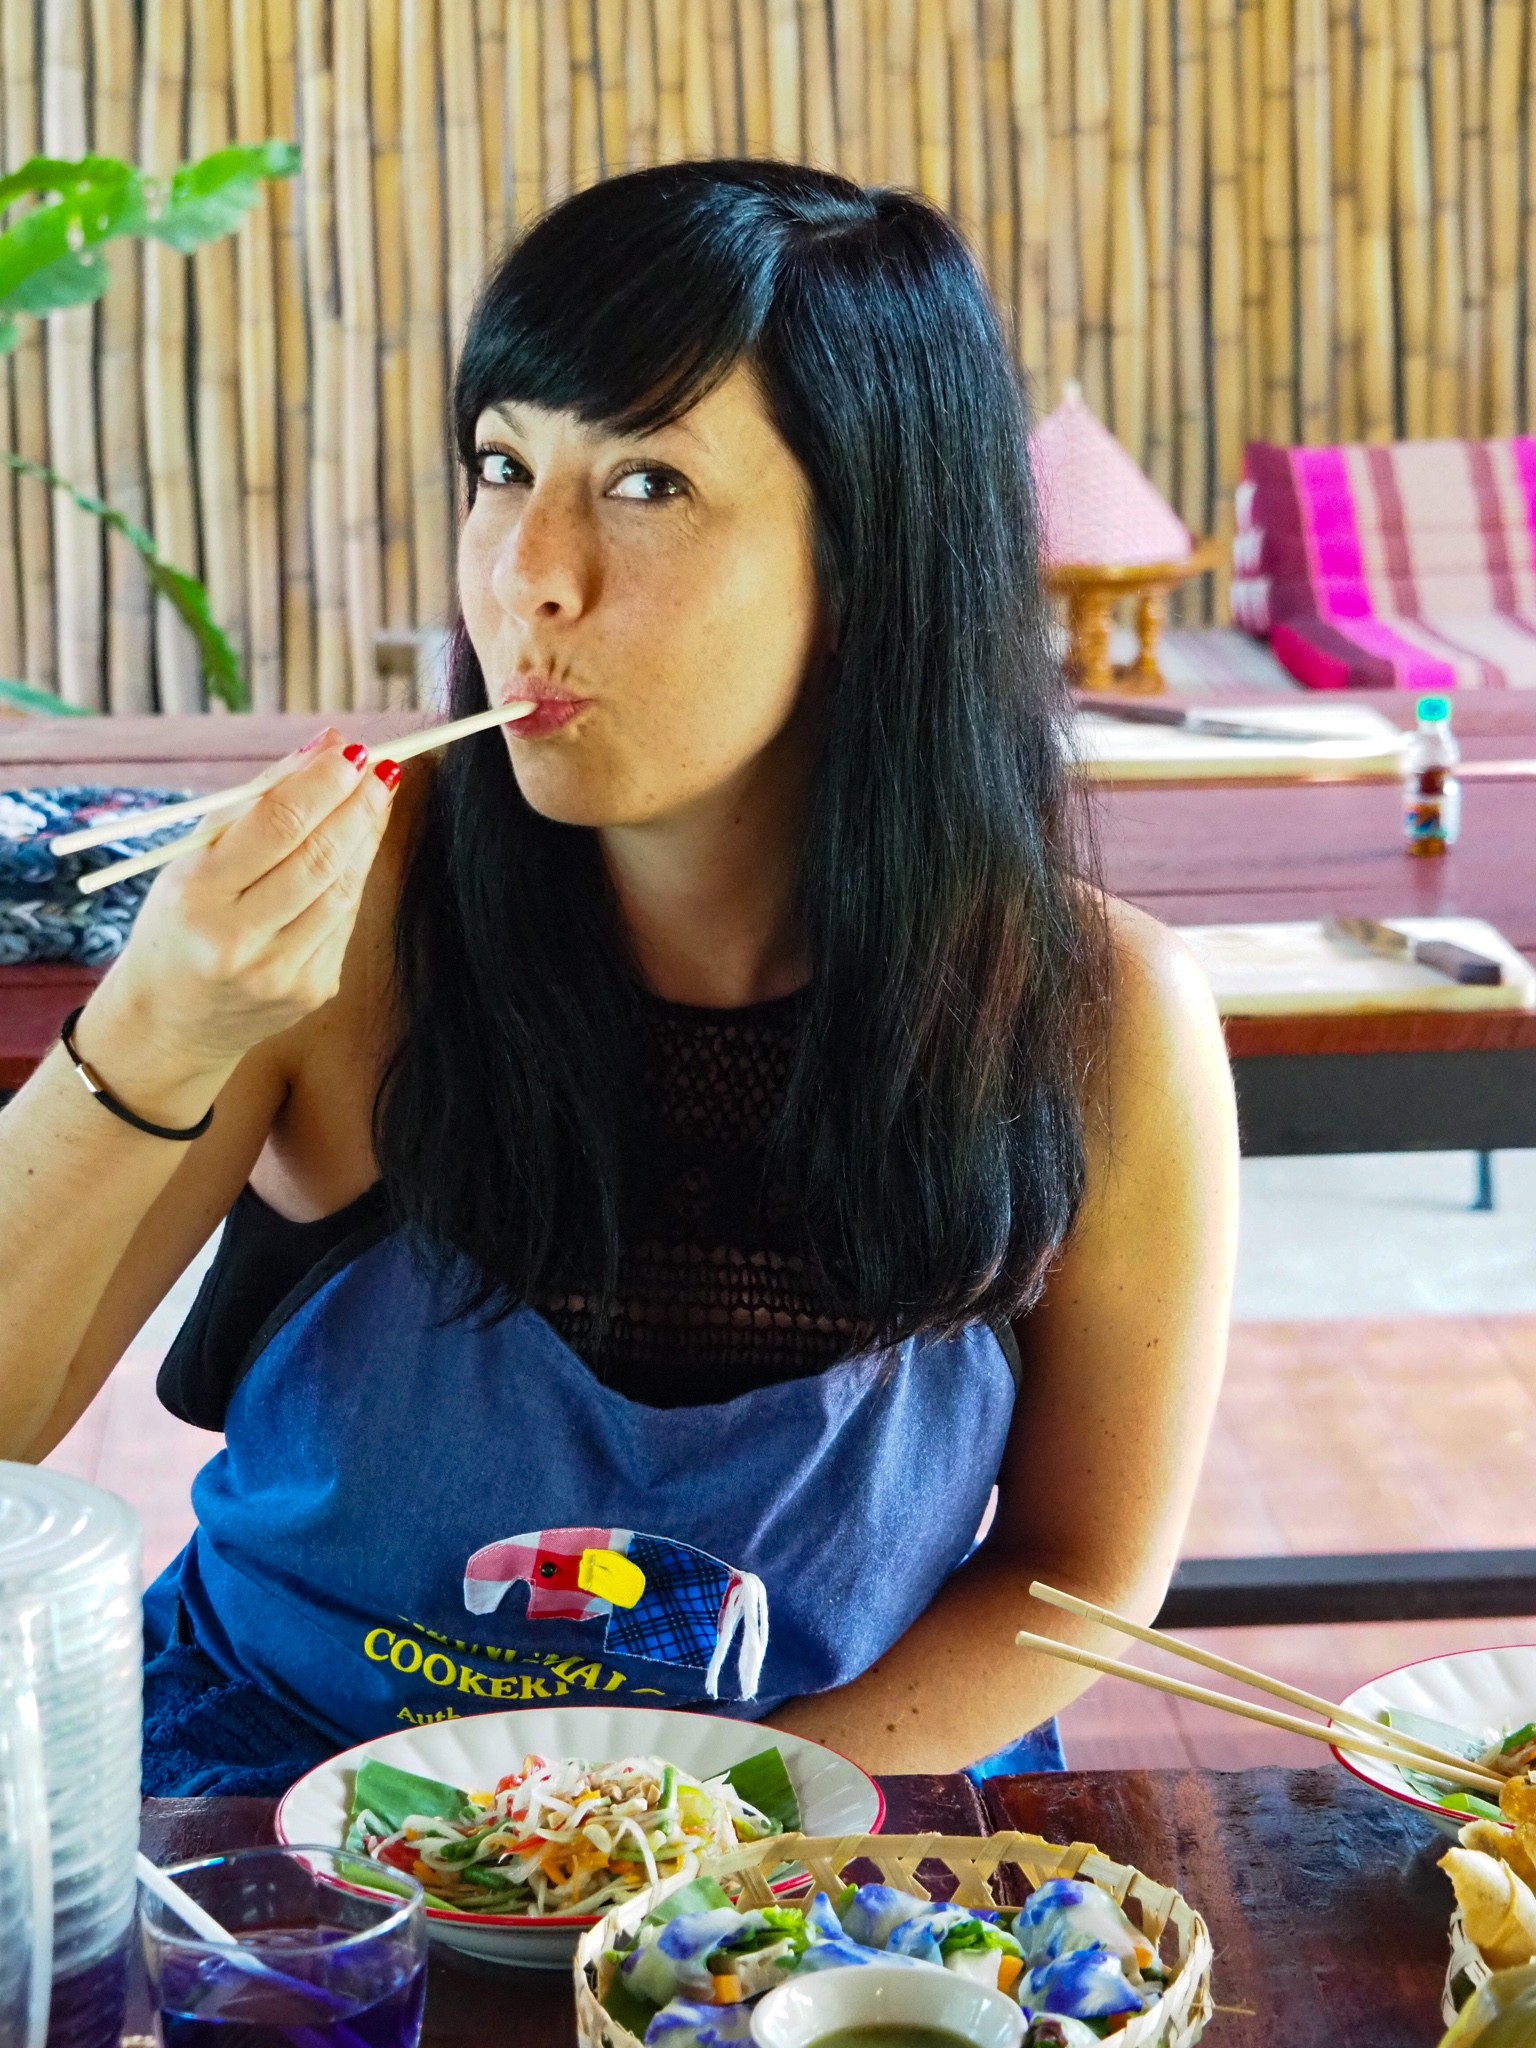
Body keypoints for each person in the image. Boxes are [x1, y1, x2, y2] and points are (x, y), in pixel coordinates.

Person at [0, 160, 1237, 1797]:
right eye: (504, 465)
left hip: (821, 1819)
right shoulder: (353, 927)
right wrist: (156, 1025)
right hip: (277, 1779)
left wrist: (720, 1825)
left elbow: (1079, 1575)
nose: (530, 572)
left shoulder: (1095, 1022)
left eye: (648, 484)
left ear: (872, 563)